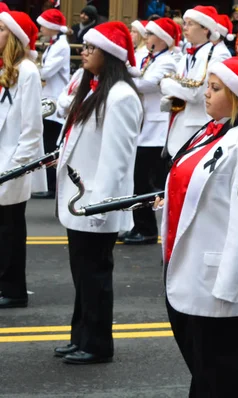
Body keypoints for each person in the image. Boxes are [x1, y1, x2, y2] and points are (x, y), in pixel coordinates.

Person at [158, 56, 238, 397]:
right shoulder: (209, 131)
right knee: (204, 374)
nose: (205, 94)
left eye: (214, 88)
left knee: (216, 379)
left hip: (220, 283)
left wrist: (228, 288)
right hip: (189, 270)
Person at [53, 21, 143, 363]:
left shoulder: (120, 96)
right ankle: (80, 337)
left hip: (95, 203)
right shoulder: (93, 88)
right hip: (80, 200)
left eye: (92, 48)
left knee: (95, 277)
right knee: (83, 276)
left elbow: (116, 160)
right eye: (85, 46)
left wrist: (99, 207)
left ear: (111, 54)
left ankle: (97, 344)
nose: (85, 52)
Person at [0, 11, 45, 309]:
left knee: (10, 230)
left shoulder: (27, 71)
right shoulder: (4, 68)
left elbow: (32, 128)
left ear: (13, 35)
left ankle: (14, 289)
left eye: (1, 28)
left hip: (11, 163)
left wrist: (15, 167)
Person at [122, 18, 178, 245]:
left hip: (155, 130)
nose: (146, 38)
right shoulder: (150, 57)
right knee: (139, 181)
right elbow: (139, 74)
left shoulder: (167, 61)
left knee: (143, 181)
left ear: (163, 39)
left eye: (151, 35)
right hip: (144, 127)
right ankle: (140, 225)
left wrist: (121, 75)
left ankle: (147, 229)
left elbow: (147, 83)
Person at [161, 6, 229, 157]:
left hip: (197, 126)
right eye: (184, 23)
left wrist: (166, 85)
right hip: (178, 124)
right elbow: (182, 86)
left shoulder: (217, 55)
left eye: (190, 24)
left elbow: (197, 93)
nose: (185, 28)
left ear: (205, 29)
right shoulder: (187, 55)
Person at [33, 9, 70, 200]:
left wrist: (34, 68)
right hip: (49, 98)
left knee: (51, 144)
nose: (40, 28)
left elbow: (46, 72)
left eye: (43, 25)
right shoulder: (53, 45)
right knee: (47, 142)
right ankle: (49, 184)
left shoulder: (61, 46)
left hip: (55, 100)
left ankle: (52, 186)